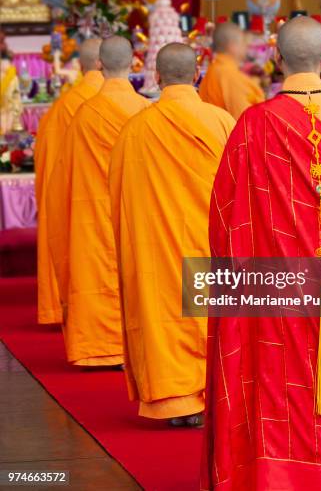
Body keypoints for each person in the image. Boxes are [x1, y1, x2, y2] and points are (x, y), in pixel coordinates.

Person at [201, 17, 321, 490]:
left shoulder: (255, 123)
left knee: (276, 378)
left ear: (275, 58)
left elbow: (225, 214)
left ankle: (276, 477)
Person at [109, 43, 235, 423]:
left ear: (157, 77)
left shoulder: (135, 130)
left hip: (156, 250)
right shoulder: (221, 121)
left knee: (161, 312)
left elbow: (118, 197)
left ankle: (173, 401)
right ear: (197, 74)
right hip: (209, 246)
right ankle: (210, 394)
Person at [47, 36, 149, 366]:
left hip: (94, 212)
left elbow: (61, 178)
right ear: (135, 63)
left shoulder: (84, 115)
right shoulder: (148, 111)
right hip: (138, 214)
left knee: (98, 271)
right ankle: (142, 343)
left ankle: (102, 345)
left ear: (99, 65)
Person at [35, 38, 103, 324]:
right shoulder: (136, 106)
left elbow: (49, 167)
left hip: (80, 200)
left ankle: (68, 310)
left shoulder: (63, 108)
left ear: (81, 65)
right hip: (123, 201)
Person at [199, 22, 264, 119]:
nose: (246, 47)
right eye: (243, 43)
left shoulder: (214, 69)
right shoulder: (229, 75)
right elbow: (244, 120)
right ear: (233, 46)